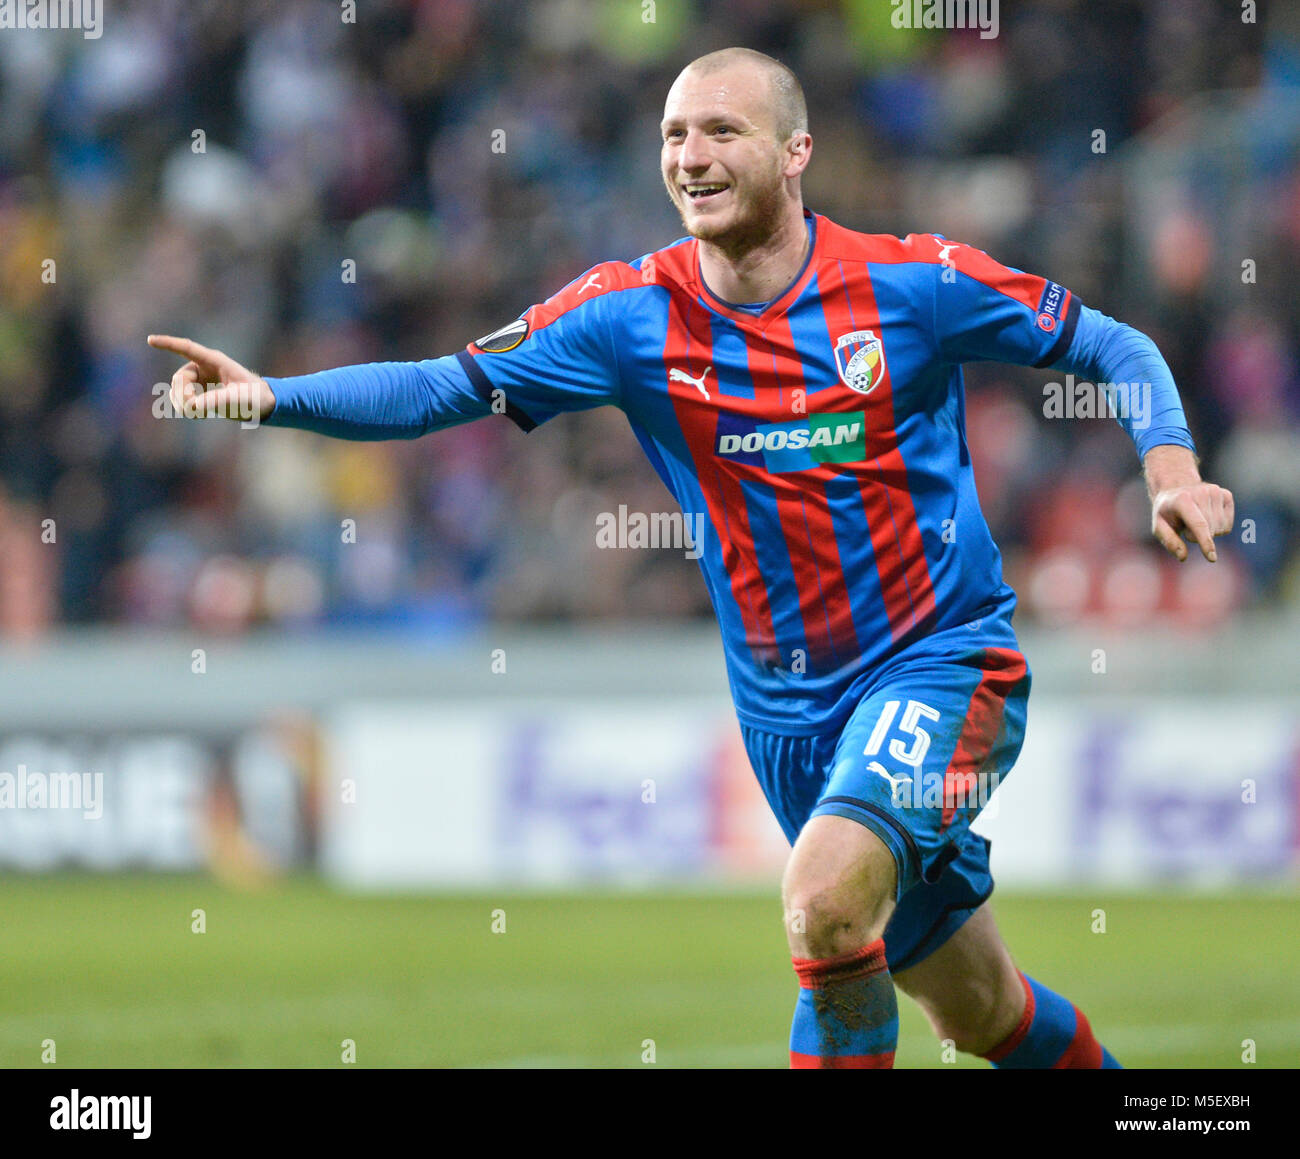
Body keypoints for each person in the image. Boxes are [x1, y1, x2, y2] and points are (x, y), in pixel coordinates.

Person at [148, 47, 1234, 1069]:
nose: (690, 155)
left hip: (943, 670)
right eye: (673, 134)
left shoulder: (908, 285)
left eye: (721, 129)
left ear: (795, 152)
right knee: (982, 1008)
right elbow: (444, 386)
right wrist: (272, 396)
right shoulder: (627, 315)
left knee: (821, 902)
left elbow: (1108, 341)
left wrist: (1171, 467)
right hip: (785, 721)